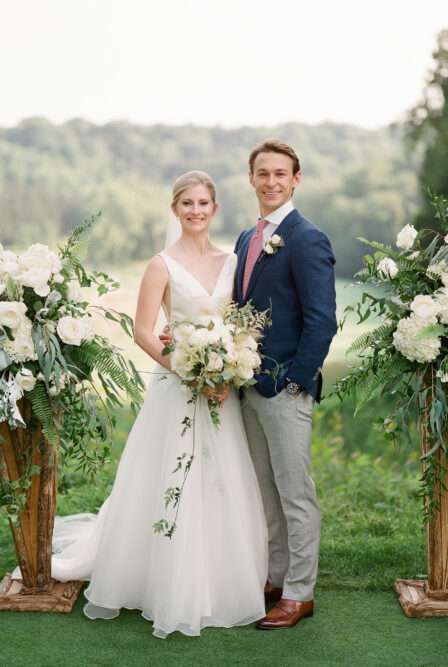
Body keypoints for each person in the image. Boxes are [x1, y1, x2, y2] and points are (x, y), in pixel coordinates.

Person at [48, 171, 268, 639]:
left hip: (221, 392)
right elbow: (143, 331)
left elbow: (238, 326)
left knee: (221, 481)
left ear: (215, 208)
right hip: (177, 386)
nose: (195, 211)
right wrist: (188, 369)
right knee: (172, 476)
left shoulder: (232, 262)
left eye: (203, 203)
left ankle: (219, 582)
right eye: (186, 203)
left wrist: (225, 371)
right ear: (175, 210)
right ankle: (164, 581)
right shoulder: (160, 265)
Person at [235, 139, 337, 629]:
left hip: (286, 389)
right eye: (263, 173)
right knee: (265, 491)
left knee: (295, 492)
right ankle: (275, 579)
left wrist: (296, 380)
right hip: (246, 387)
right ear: (251, 179)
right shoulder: (245, 239)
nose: (271, 182)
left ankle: (300, 593)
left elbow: (322, 320)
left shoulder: (306, 238)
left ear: (296, 179)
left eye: (281, 173)